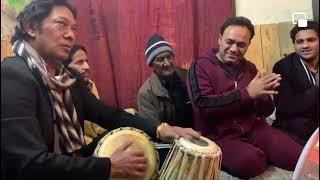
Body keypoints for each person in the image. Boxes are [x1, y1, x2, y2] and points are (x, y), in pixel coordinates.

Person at [0, 1, 200, 180]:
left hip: (73, 164)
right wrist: (108, 167)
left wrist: (161, 129)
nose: (70, 34)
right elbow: (27, 164)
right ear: (31, 28)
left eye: (74, 28)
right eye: (61, 24)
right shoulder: (13, 77)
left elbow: (109, 114)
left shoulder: (69, 78)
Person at [186, 16, 303, 178]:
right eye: (229, 42)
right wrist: (247, 93)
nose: (234, 49)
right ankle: (256, 152)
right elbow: (203, 106)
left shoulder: (250, 68)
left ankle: (262, 150)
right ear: (220, 39)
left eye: (241, 44)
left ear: (248, 45)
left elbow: (267, 111)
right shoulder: (200, 66)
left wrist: (263, 96)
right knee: (252, 161)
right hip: (219, 136)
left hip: (255, 128)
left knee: (298, 157)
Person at [272, 21, 319, 145]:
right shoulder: (282, 67)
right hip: (297, 123)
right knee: (301, 125)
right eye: (300, 42)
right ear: (294, 44)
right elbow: (285, 108)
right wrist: (316, 88)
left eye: (311, 40)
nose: (305, 45)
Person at [137, 34, 193, 128]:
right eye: (160, 59)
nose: (167, 63)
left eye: (169, 57)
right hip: (169, 140)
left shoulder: (187, 76)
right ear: (151, 64)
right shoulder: (145, 94)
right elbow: (154, 129)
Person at [64, 44, 107, 144]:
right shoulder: (64, 93)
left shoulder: (90, 85)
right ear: (66, 68)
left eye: (86, 61)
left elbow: (98, 121)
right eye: (79, 62)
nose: (87, 67)